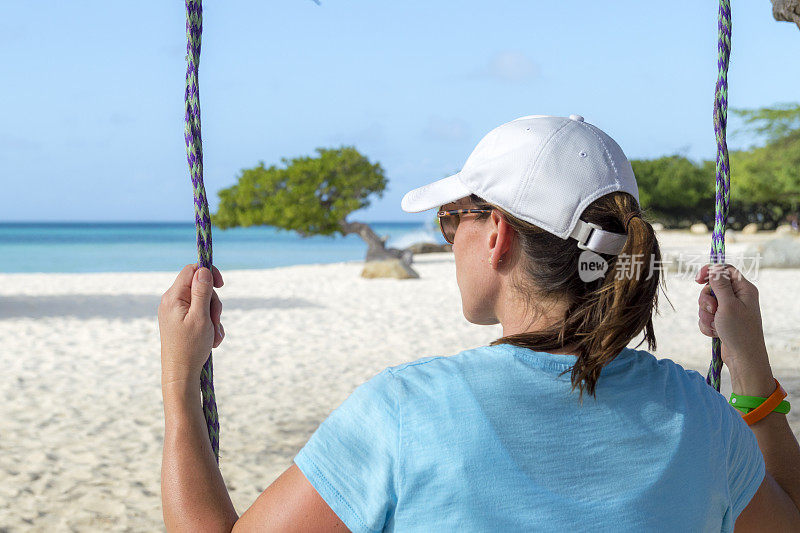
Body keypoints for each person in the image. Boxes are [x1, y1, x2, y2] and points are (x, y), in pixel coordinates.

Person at [157, 115, 800, 532]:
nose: (448, 240)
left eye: (450, 221)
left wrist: (181, 385)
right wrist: (750, 367)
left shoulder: (404, 413)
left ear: (495, 235)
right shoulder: (700, 418)